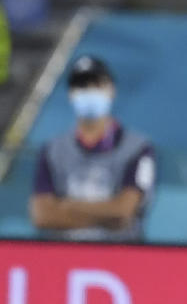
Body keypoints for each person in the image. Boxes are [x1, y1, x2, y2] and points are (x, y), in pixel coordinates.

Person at [29, 55, 156, 242]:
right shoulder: (52, 150)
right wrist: (106, 212)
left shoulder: (138, 149)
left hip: (122, 256)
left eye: (96, 84)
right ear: (71, 94)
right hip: (65, 257)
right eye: (81, 86)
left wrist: (65, 206)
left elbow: (123, 212)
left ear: (111, 90)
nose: (89, 91)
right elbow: (42, 215)